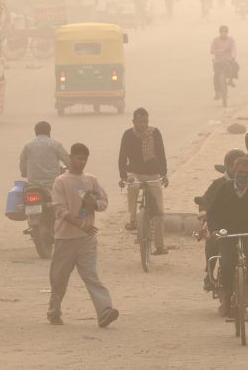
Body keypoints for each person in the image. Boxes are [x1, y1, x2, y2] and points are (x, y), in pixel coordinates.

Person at [48, 143, 118, 328]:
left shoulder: (91, 180)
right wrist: (80, 224)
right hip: (65, 238)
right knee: (59, 279)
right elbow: (60, 210)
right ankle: (54, 311)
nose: (82, 162)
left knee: (91, 276)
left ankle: (105, 310)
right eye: (79, 158)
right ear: (70, 158)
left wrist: (93, 204)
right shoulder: (61, 181)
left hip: (86, 240)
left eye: (85, 159)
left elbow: (103, 202)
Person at [207, 156, 248, 316]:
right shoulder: (224, 188)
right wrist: (214, 230)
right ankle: (227, 297)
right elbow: (212, 212)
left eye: (246, 172)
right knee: (227, 262)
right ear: (234, 172)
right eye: (240, 172)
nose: (243, 175)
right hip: (226, 232)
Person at [118, 108, 169, 256]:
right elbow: (122, 157)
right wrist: (123, 176)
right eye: (140, 121)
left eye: (146, 121)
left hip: (153, 173)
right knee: (132, 186)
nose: (144, 124)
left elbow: (161, 153)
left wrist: (164, 173)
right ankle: (133, 219)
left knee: (159, 211)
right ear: (134, 122)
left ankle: (160, 246)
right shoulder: (128, 135)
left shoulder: (155, 133)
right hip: (134, 172)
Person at [197, 148, 246, 291]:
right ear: (227, 166)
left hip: (244, 223)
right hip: (221, 224)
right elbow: (206, 200)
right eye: (233, 165)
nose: (236, 169)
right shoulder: (218, 184)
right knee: (212, 241)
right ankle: (209, 274)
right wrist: (204, 211)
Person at [20, 121, 70, 188]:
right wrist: (71, 169)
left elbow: (22, 162)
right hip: (53, 184)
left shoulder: (28, 146)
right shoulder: (55, 145)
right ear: (49, 131)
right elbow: (67, 160)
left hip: (33, 184)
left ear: (35, 132)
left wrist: (24, 173)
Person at [210, 25, 238, 100]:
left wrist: (233, 56)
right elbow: (212, 51)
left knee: (236, 67)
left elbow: (234, 49)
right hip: (218, 61)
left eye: (225, 32)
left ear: (227, 32)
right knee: (216, 76)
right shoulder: (215, 40)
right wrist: (221, 51)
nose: (223, 34)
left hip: (228, 59)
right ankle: (216, 93)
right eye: (222, 32)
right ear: (220, 32)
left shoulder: (231, 40)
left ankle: (230, 80)